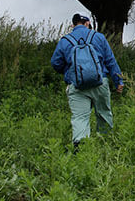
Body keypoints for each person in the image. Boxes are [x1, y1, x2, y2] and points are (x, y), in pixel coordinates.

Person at [51, 13, 124, 150]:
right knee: (103, 113)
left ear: (73, 25)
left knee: (80, 117)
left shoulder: (65, 41)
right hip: (100, 82)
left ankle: (81, 148)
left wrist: (69, 73)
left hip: (77, 85)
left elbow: (55, 63)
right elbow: (110, 61)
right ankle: (105, 144)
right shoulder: (98, 37)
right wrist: (118, 81)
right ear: (87, 23)